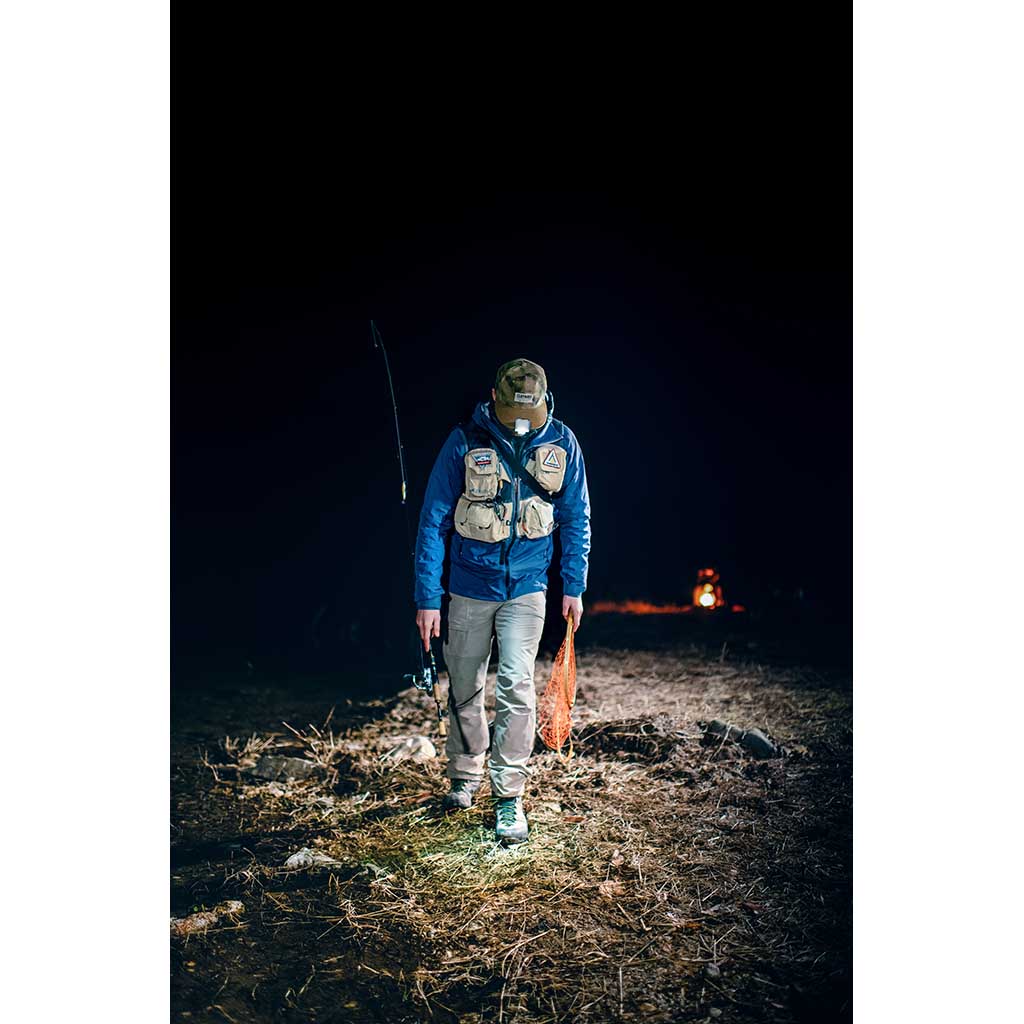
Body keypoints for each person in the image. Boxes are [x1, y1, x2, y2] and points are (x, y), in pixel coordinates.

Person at [414, 358, 591, 844]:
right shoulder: (463, 441)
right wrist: (427, 597)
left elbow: (577, 517)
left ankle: (509, 795)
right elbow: (433, 521)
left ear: (545, 402)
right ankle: (464, 773)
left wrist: (573, 586)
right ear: (493, 397)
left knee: (516, 685)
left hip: (528, 589)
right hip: (468, 588)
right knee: (465, 686)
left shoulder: (563, 443)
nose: (520, 421)